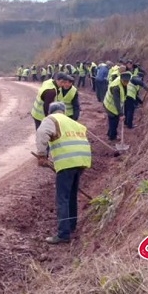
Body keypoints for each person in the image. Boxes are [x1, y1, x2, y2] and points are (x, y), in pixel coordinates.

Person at [35, 101, 92, 244]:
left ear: (51, 111)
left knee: (63, 198)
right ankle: (71, 226)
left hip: (67, 162)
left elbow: (42, 133)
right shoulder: (73, 122)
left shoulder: (51, 119)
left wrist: (42, 155)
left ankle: (63, 234)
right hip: (82, 161)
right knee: (71, 195)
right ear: (63, 111)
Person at [104, 71, 131, 141]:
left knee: (112, 121)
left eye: (127, 81)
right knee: (114, 122)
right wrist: (121, 114)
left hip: (111, 105)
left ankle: (110, 133)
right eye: (124, 81)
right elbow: (117, 102)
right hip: (110, 106)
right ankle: (112, 137)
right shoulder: (116, 88)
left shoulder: (122, 79)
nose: (126, 83)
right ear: (121, 79)